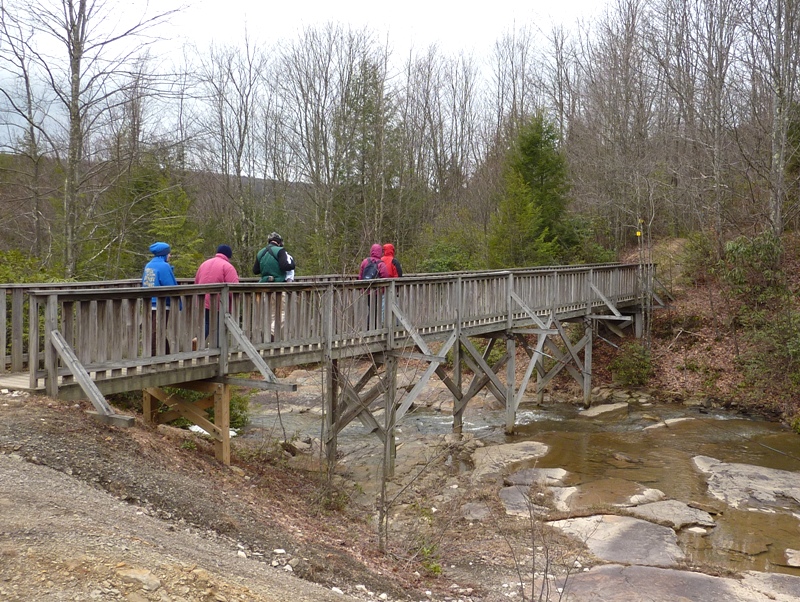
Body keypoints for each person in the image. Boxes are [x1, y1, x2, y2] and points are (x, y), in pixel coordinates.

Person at [194, 244, 239, 339]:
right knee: (220, 326)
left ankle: (198, 343)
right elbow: (234, 288)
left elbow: (196, 281)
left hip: (203, 300)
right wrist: (235, 301)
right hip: (219, 302)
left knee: (206, 324)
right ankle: (218, 350)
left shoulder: (204, 264)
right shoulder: (228, 267)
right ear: (228, 255)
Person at [142, 241, 178, 355]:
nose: (170, 255)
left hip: (149, 303)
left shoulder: (149, 265)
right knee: (157, 332)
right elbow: (171, 285)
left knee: (156, 330)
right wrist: (179, 303)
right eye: (169, 253)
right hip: (161, 304)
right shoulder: (163, 266)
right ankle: (156, 356)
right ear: (164, 254)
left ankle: (163, 355)